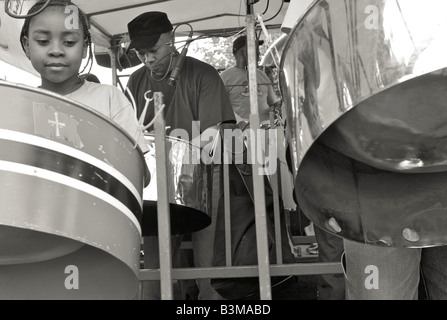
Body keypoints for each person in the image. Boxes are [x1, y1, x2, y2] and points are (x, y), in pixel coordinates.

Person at [125, 11, 236, 300]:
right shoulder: (135, 81)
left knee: (205, 250)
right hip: (154, 179)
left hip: (201, 170)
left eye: (153, 50)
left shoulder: (203, 74)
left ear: (171, 38)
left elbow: (215, 130)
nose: (147, 59)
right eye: (140, 53)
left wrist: (184, 160)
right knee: (155, 258)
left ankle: (205, 294)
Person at [19, 0, 149, 160]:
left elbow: (139, 170)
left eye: (69, 42)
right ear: (26, 46)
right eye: (43, 41)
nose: (56, 51)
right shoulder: (19, 107)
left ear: (85, 48)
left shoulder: (109, 99)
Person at [220, 35, 282, 124]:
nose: (258, 53)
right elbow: (219, 109)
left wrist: (276, 109)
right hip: (239, 132)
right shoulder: (224, 77)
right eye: (255, 50)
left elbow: (273, 103)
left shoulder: (261, 75)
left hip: (266, 129)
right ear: (243, 52)